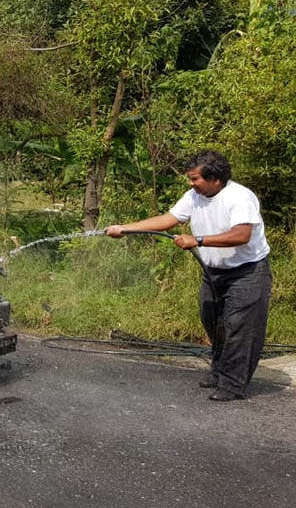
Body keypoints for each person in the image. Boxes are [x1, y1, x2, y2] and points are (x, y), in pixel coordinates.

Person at [106, 150, 271, 401]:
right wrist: (126, 229)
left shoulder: (239, 197)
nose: (191, 183)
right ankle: (219, 371)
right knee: (213, 322)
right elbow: (169, 219)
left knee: (239, 327)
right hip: (214, 271)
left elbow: (241, 235)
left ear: (214, 179)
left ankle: (233, 385)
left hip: (247, 272)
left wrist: (198, 240)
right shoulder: (195, 196)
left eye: (195, 179)